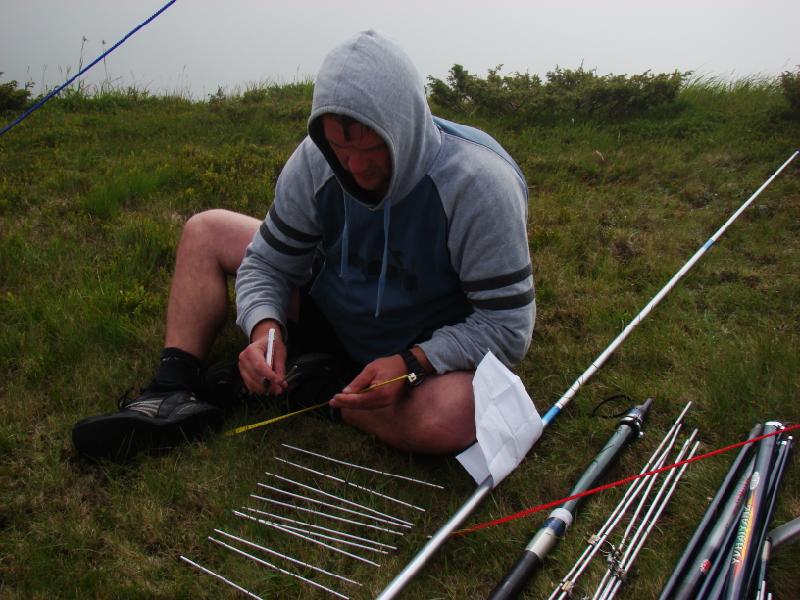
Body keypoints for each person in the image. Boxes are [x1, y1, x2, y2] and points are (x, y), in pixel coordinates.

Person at [72, 30, 535, 460]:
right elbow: (267, 264)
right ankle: (170, 390)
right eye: (340, 149)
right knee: (205, 229)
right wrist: (264, 329)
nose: (355, 167)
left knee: (455, 416)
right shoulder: (317, 160)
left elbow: (507, 325)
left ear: (405, 126)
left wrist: (412, 363)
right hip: (329, 306)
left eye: (371, 148)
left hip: (417, 342)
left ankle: (320, 389)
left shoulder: (478, 185)